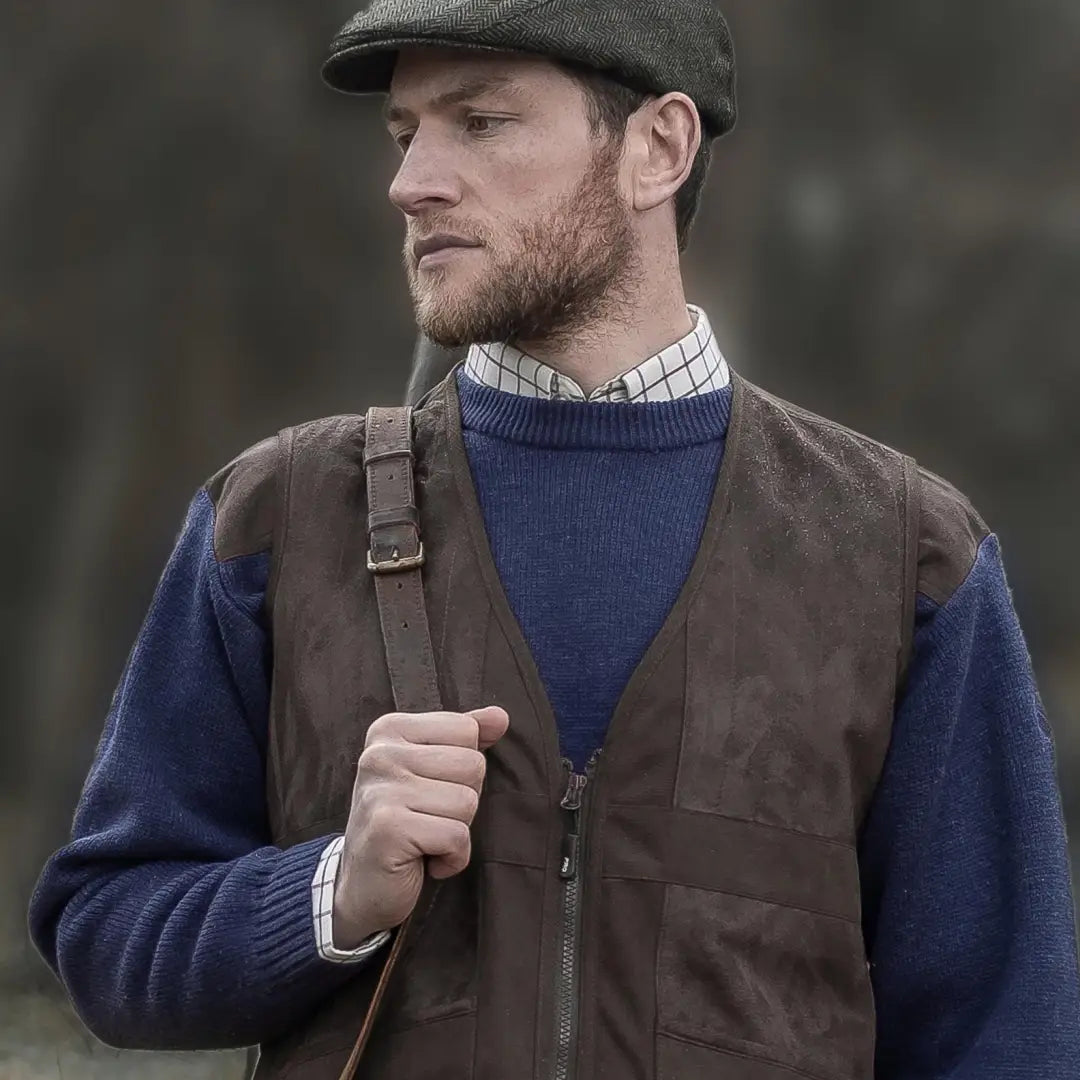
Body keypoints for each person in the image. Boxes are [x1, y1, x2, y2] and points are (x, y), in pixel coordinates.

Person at [29, 2, 1080, 1078]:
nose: (412, 182)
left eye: (479, 123)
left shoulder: (905, 554)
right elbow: (103, 939)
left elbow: (1004, 1034)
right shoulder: (277, 518)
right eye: (406, 134)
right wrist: (329, 892)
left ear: (658, 148)